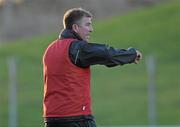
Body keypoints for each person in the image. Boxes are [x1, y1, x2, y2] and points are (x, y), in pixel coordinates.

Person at [42, 8, 142, 127]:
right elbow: (106, 54)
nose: (91, 29)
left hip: (51, 119)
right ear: (75, 28)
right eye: (88, 25)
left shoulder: (50, 49)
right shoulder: (77, 48)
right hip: (76, 118)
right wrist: (131, 54)